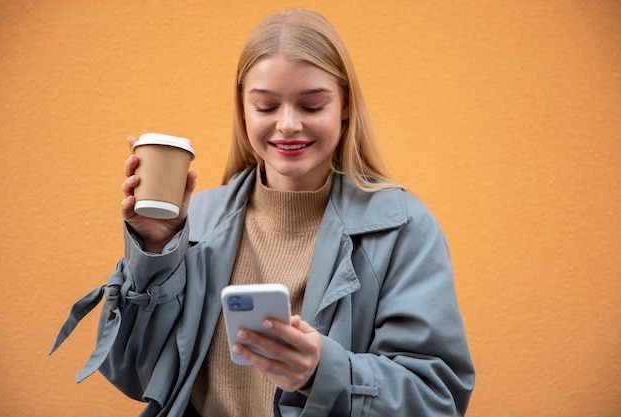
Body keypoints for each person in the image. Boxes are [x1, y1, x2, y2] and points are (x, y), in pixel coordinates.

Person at [51, 8, 475, 417]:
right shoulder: (196, 220)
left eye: (311, 105)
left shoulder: (403, 229)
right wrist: (155, 251)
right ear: (242, 108)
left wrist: (321, 373)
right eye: (266, 106)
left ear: (345, 106)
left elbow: (437, 399)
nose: (288, 124)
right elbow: (134, 376)